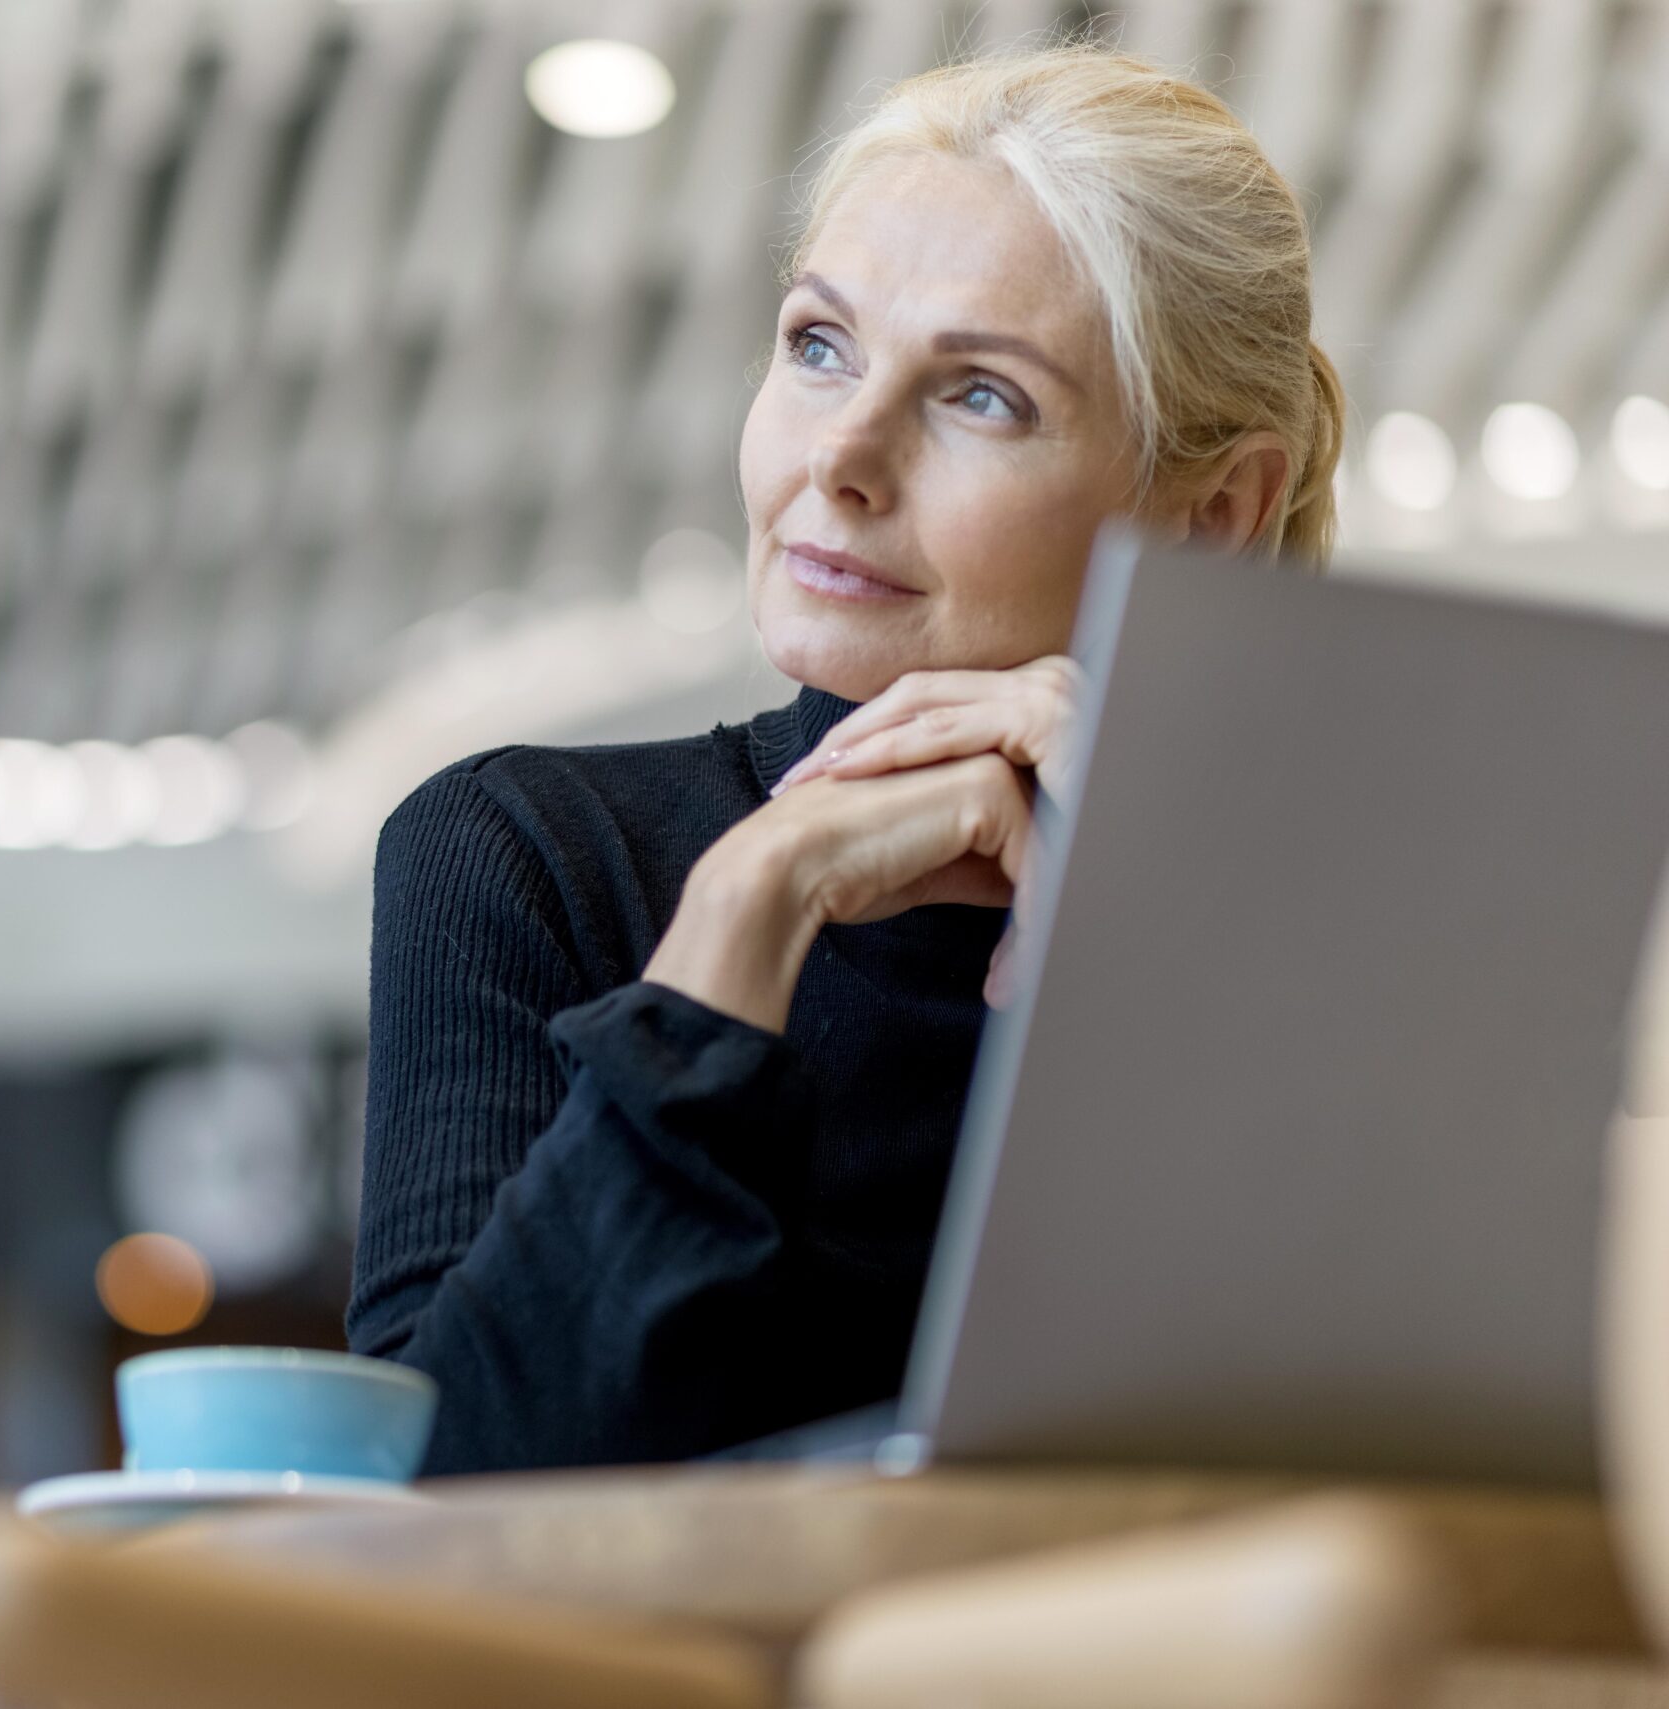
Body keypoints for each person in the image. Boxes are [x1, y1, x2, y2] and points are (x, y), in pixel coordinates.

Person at [345, 42, 1347, 1474]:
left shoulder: (1314, 936)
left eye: (980, 396)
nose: (843, 456)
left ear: (1208, 514)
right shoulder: (525, 852)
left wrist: (1175, 946)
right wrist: (745, 917)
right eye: (820, 346)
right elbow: (430, 1520)